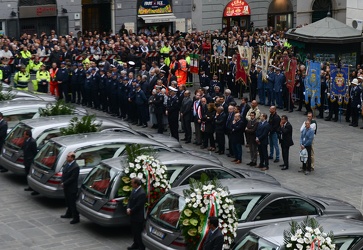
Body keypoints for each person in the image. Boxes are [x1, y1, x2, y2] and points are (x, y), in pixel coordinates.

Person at [60, 152, 80, 224]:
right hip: (66, 187)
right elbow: (64, 173)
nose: (67, 157)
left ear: (72, 158)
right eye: (67, 156)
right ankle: (68, 214)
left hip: (71, 188)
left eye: (68, 156)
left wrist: (64, 183)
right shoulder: (67, 164)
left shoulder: (75, 167)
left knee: (72, 203)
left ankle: (76, 217)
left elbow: (73, 178)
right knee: (68, 201)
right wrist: (62, 181)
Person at [127, 178, 146, 250]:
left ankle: (141, 246)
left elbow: (138, 205)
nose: (131, 184)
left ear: (136, 184)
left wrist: (131, 210)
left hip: (138, 217)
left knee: (138, 232)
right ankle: (135, 244)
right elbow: (130, 200)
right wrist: (128, 208)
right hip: (132, 215)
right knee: (134, 231)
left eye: (132, 183)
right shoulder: (134, 190)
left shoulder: (142, 193)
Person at [23, 130, 38, 194]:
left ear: (28, 135)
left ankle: (35, 189)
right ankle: (30, 186)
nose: (23, 136)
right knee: (27, 173)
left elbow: (34, 152)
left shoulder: (32, 142)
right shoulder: (26, 141)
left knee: (31, 174)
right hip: (26, 160)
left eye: (24, 134)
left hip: (30, 160)